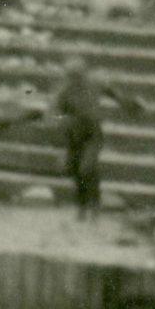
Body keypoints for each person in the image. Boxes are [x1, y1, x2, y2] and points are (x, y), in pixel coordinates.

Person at [51, 62, 120, 210]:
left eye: (79, 76)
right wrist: (65, 121)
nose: (76, 80)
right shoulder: (64, 92)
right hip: (74, 134)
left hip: (92, 132)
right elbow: (54, 113)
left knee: (86, 167)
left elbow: (114, 94)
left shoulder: (94, 85)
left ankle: (94, 201)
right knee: (75, 170)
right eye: (72, 77)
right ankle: (82, 204)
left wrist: (127, 103)